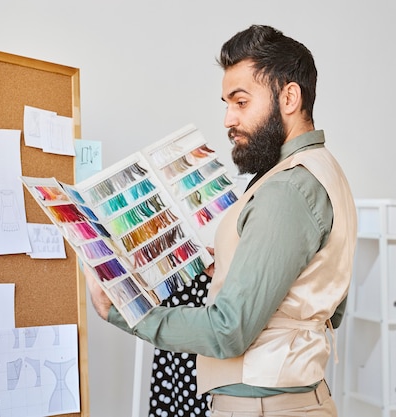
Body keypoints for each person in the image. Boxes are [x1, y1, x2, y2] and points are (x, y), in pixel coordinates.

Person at [86, 24, 357, 417]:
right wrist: (236, 267)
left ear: (290, 97)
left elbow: (229, 331)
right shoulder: (323, 171)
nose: (229, 118)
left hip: (266, 409)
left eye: (241, 102)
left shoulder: (286, 190)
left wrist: (128, 312)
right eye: (226, 103)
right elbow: (330, 308)